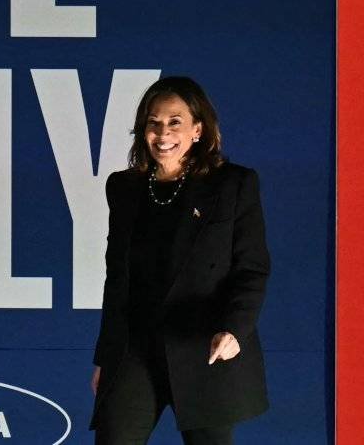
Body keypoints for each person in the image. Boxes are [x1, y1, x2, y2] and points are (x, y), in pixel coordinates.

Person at [89, 76, 270, 444]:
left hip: (204, 346)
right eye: (153, 123)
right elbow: (117, 279)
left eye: (175, 122)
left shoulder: (233, 184)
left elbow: (251, 268)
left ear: (197, 130)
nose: (163, 132)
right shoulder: (123, 187)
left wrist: (234, 329)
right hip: (136, 350)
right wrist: (106, 356)